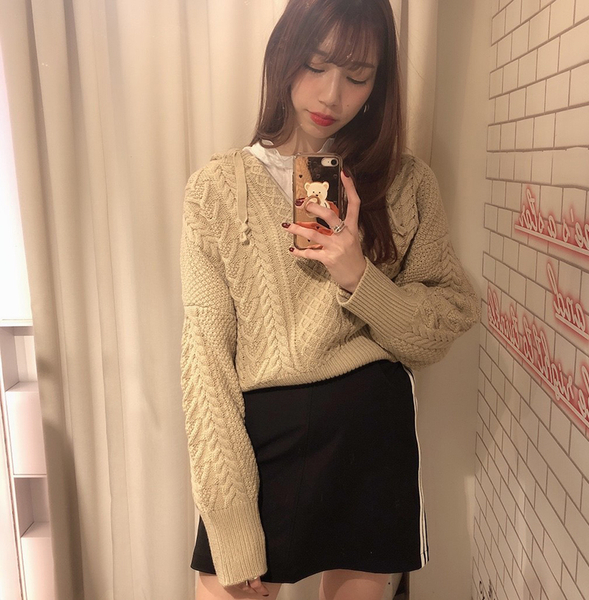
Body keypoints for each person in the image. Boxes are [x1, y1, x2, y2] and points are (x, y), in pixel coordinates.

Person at [179, 0, 480, 598]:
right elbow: (205, 361)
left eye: (358, 75)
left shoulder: (405, 181)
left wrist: (359, 277)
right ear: (284, 55)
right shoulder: (217, 188)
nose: (332, 94)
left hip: (369, 435)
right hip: (260, 437)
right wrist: (233, 524)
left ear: (379, 83)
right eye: (316, 65)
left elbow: (444, 322)